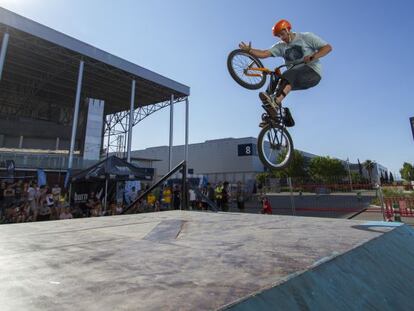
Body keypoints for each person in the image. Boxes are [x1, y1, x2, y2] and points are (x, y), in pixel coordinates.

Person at [239, 19, 332, 120]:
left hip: (312, 73)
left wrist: (313, 56)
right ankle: (274, 117)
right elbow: (264, 53)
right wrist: (249, 50)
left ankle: (276, 101)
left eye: (282, 34)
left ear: (288, 29)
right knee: (272, 86)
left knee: (290, 73)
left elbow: (327, 48)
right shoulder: (281, 46)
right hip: (294, 76)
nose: (282, 38)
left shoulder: (306, 37)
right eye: (279, 36)